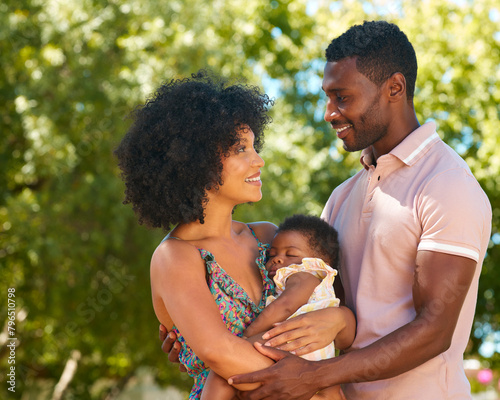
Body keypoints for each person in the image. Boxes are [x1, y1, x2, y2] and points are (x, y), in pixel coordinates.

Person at [226, 21, 492, 399]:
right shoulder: (341, 196)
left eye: (342, 97)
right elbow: (314, 298)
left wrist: (314, 375)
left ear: (394, 88)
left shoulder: (447, 185)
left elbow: (435, 329)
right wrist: (204, 324)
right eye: (328, 98)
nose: (329, 113)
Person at [115, 70, 355, 400]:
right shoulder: (176, 257)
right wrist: (313, 385)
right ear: (195, 159)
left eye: (254, 146)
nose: (259, 160)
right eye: (241, 149)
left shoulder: (270, 239)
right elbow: (219, 351)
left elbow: (327, 305)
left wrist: (339, 318)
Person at [201, 214, 355, 399]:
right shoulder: (316, 285)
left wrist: (246, 337)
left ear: (319, 261)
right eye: (272, 254)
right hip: (313, 352)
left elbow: (285, 308)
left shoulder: (305, 274)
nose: (277, 259)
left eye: (290, 254)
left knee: (223, 371)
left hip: (294, 339)